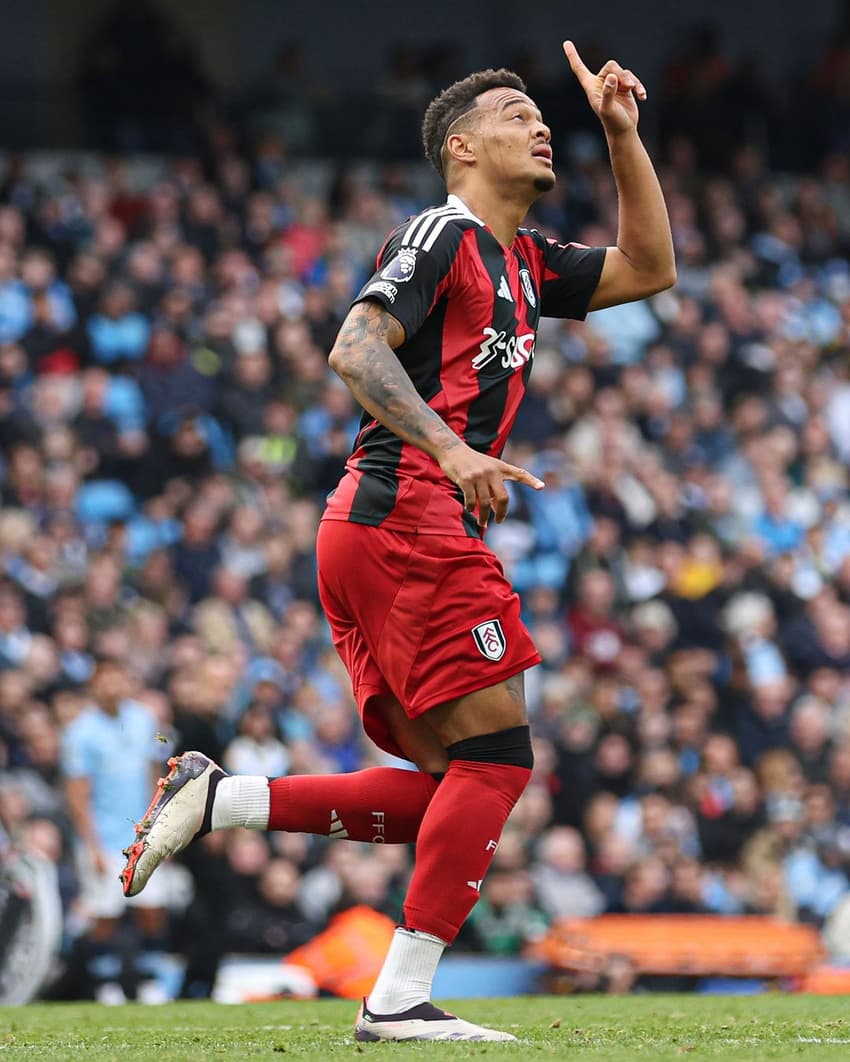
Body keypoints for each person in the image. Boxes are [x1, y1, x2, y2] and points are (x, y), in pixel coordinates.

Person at [121, 41, 674, 1040]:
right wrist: (451, 449)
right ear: (460, 147)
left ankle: (223, 799)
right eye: (514, 114)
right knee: (499, 761)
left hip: (381, 529)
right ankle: (399, 998)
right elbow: (353, 345)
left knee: (453, 794)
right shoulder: (442, 233)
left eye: (540, 116)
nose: (538, 123)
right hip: (406, 512)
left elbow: (649, 267)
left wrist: (622, 136)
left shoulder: (525, 257)